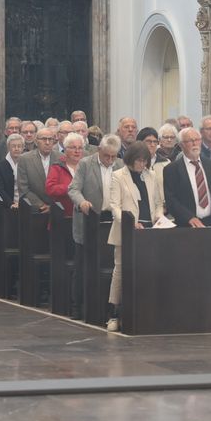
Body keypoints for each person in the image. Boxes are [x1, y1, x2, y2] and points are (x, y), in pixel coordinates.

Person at [106, 142, 167, 332]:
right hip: (127, 229)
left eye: (145, 161)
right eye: (139, 161)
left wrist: (158, 216)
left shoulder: (152, 175)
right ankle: (114, 313)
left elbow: (158, 202)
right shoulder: (118, 176)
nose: (142, 165)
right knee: (121, 270)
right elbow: (114, 205)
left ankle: (148, 309)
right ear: (131, 160)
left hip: (149, 230)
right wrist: (129, 222)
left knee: (150, 268)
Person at [67, 135, 122, 319]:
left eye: (113, 156)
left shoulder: (120, 165)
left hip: (111, 221)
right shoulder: (85, 164)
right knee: (82, 266)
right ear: (99, 150)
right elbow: (73, 189)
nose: (110, 160)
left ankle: (104, 306)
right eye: (107, 156)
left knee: (109, 265)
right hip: (89, 219)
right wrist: (81, 202)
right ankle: (77, 306)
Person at [163, 127, 211, 228]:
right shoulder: (172, 169)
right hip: (187, 224)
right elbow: (171, 200)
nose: (194, 143)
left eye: (197, 140)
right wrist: (189, 217)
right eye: (190, 141)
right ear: (181, 145)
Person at [16, 127, 57, 212]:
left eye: (50, 139)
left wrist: (53, 207)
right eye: (44, 139)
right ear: (36, 141)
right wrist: (41, 205)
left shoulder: (61, 158)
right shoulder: (25, 159)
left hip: (57, 209)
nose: (47, 142)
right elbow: (23, 188)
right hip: (34, 211)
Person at [46, 133, 84, 217]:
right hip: (62, 216)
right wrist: (71, 188)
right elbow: (50, 189)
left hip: (83, 215)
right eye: (73, 147)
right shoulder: (57, 167)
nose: (77, 151)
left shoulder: (87, 167)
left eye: (80, 148)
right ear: (65, 149)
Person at [0, 134, 25, 205]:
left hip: (25, 204)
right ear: (8, 147)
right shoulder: (0, 166)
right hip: (7, 205)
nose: (16, 149)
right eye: (13, 146)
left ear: (23, 148)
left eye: (19, 146)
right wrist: (11, 204)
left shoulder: (27, 163)